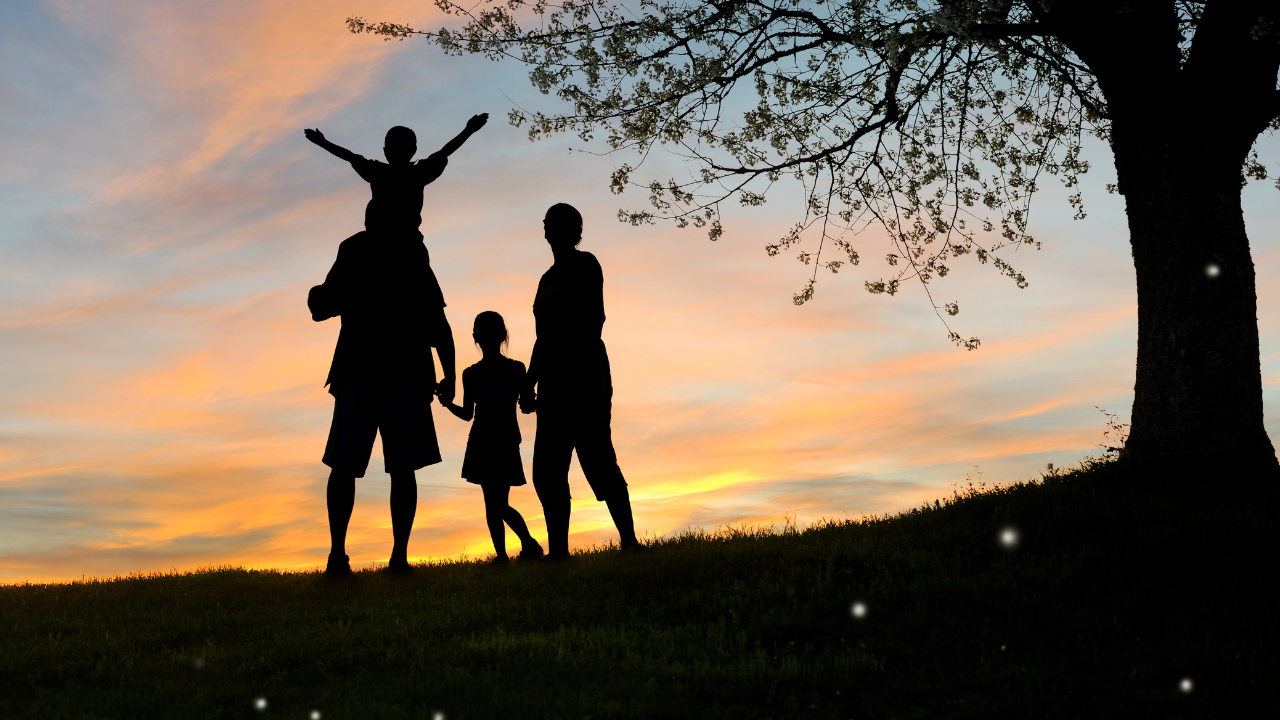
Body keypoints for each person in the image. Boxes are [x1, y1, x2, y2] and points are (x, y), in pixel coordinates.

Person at [304, 115, 487, 577]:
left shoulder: (402, 252)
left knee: (377, 466)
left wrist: (447, 372)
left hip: (392, 374)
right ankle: (355, 555)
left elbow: (437, 323)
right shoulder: (362, 249)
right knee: (367, 465)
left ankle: (378, 555)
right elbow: (437, 325)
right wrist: (447, 374)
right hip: (375, 373)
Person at [522, 203, 643, 559]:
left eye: (555, 224)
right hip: (553, 382)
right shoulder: (546, 279)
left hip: (584, 374)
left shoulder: (586, 264)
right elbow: (541, 338)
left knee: (597, 459)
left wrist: (566, 359)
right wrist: (530, 382)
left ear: (573, 231)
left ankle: (630, 542)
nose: (548, 229)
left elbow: (594, 320)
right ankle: (559, 552)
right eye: (547, 223)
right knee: (547, 471)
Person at [440, 312, 544, 563]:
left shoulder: (509, 370)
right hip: (485, 443)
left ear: (475, 337)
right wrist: (447, 404)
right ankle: (506, 554)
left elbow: (468, 414)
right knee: (495, 503)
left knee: (496, 504)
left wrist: (447, 404)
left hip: (502, 443)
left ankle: (525, 545)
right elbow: (469, 414)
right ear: (503, 335)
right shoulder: (484, 372)